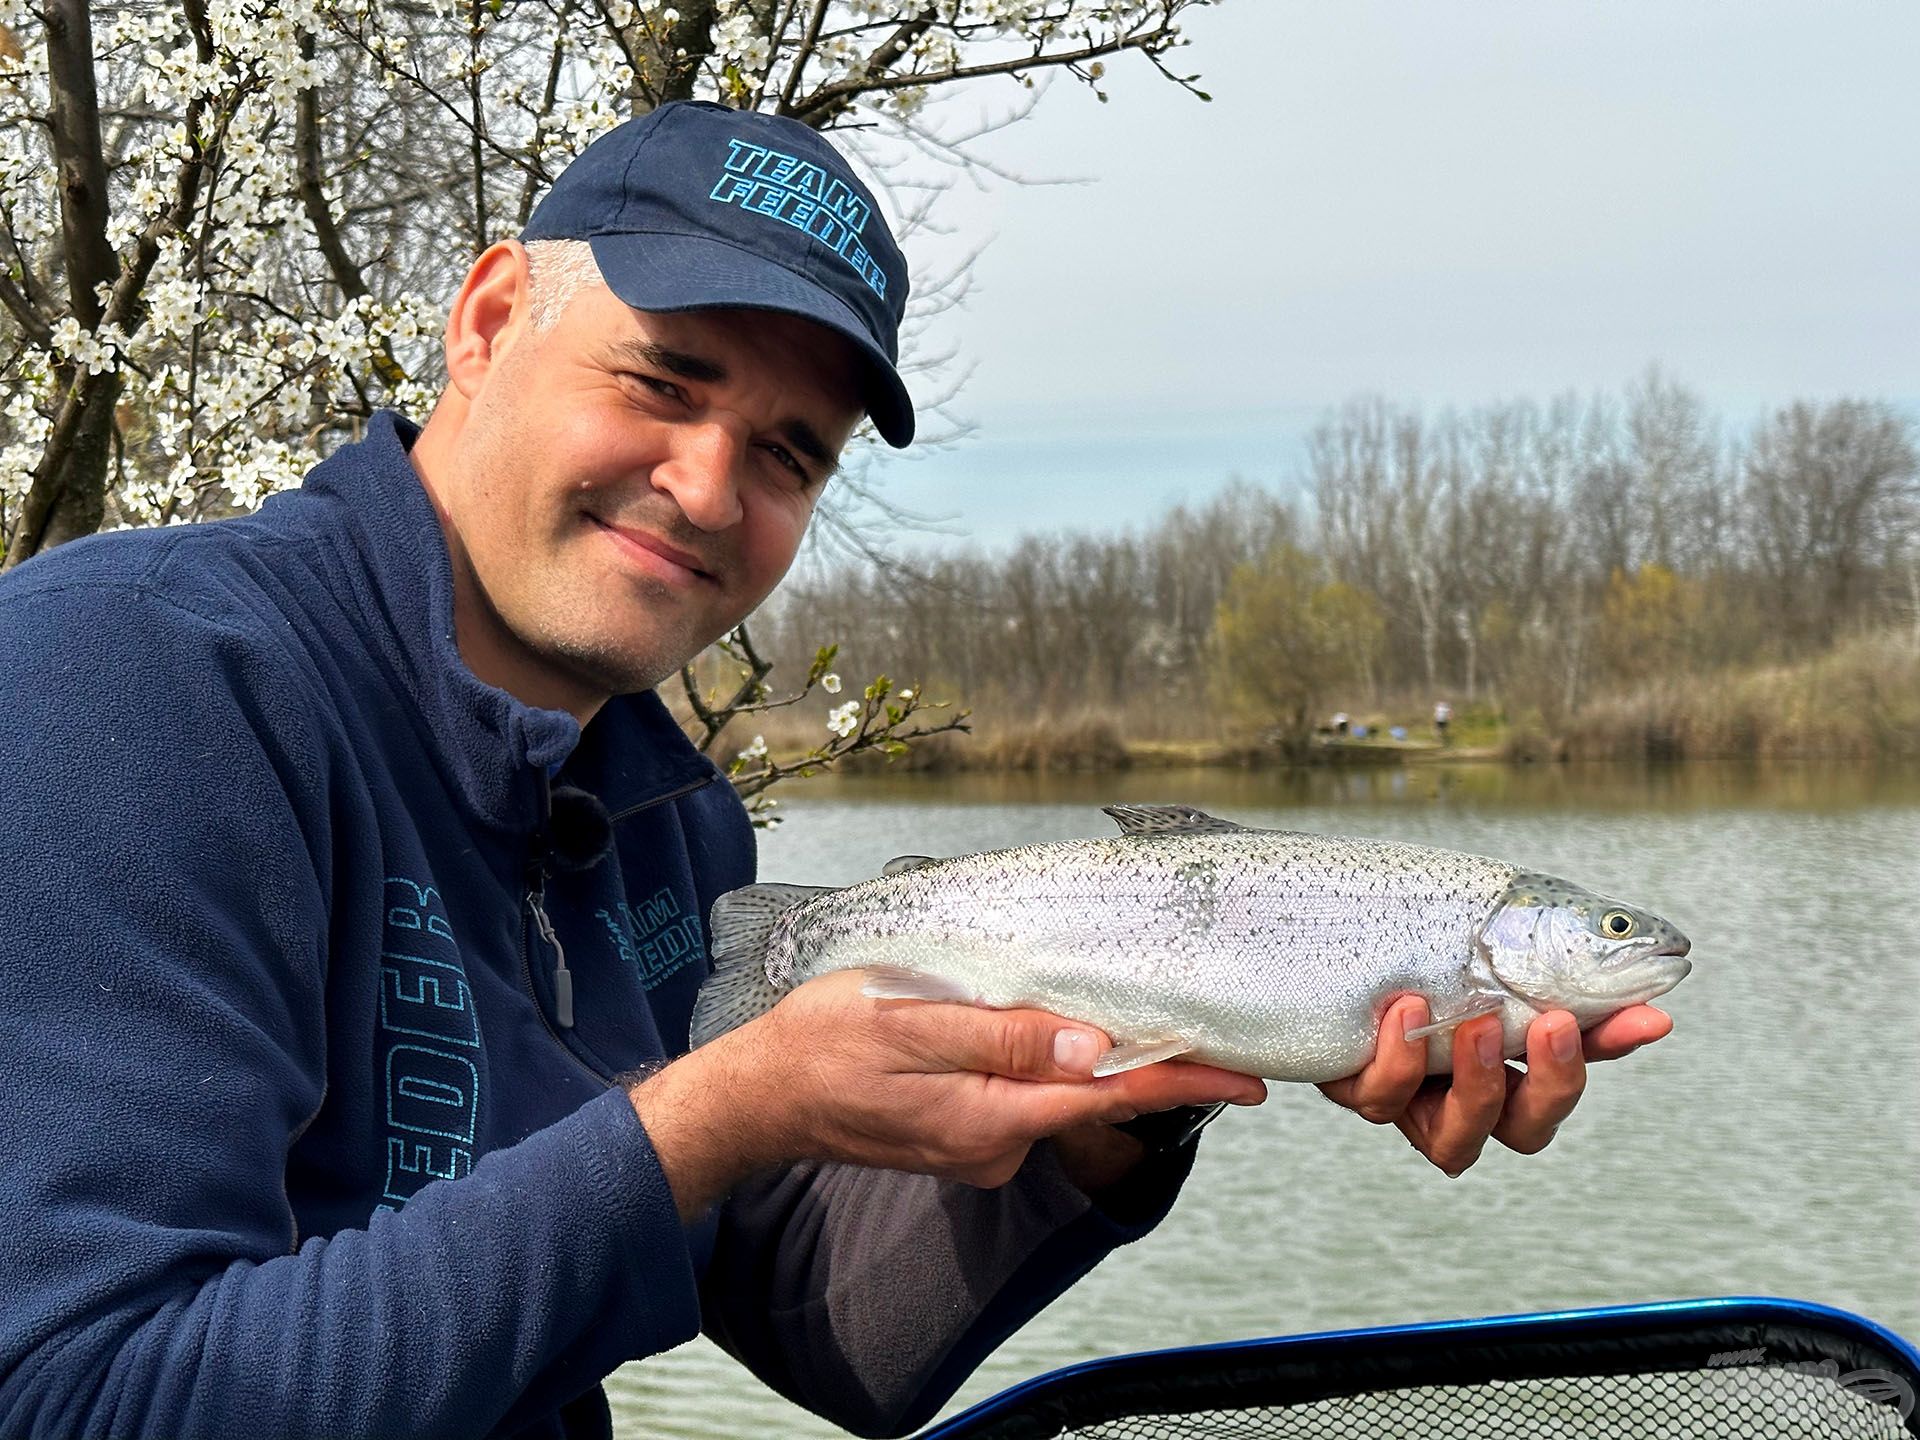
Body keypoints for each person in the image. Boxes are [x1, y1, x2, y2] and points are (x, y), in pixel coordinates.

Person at [0, 101, 1671, 1439]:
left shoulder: (671, 824)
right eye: (665, 381)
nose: (712, 487)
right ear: (491, 318)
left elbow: (831, 1332)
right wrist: (699, 1124)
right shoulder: (130, 678)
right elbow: (85, 1395)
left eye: (790, 453)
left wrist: (1113, 1118)